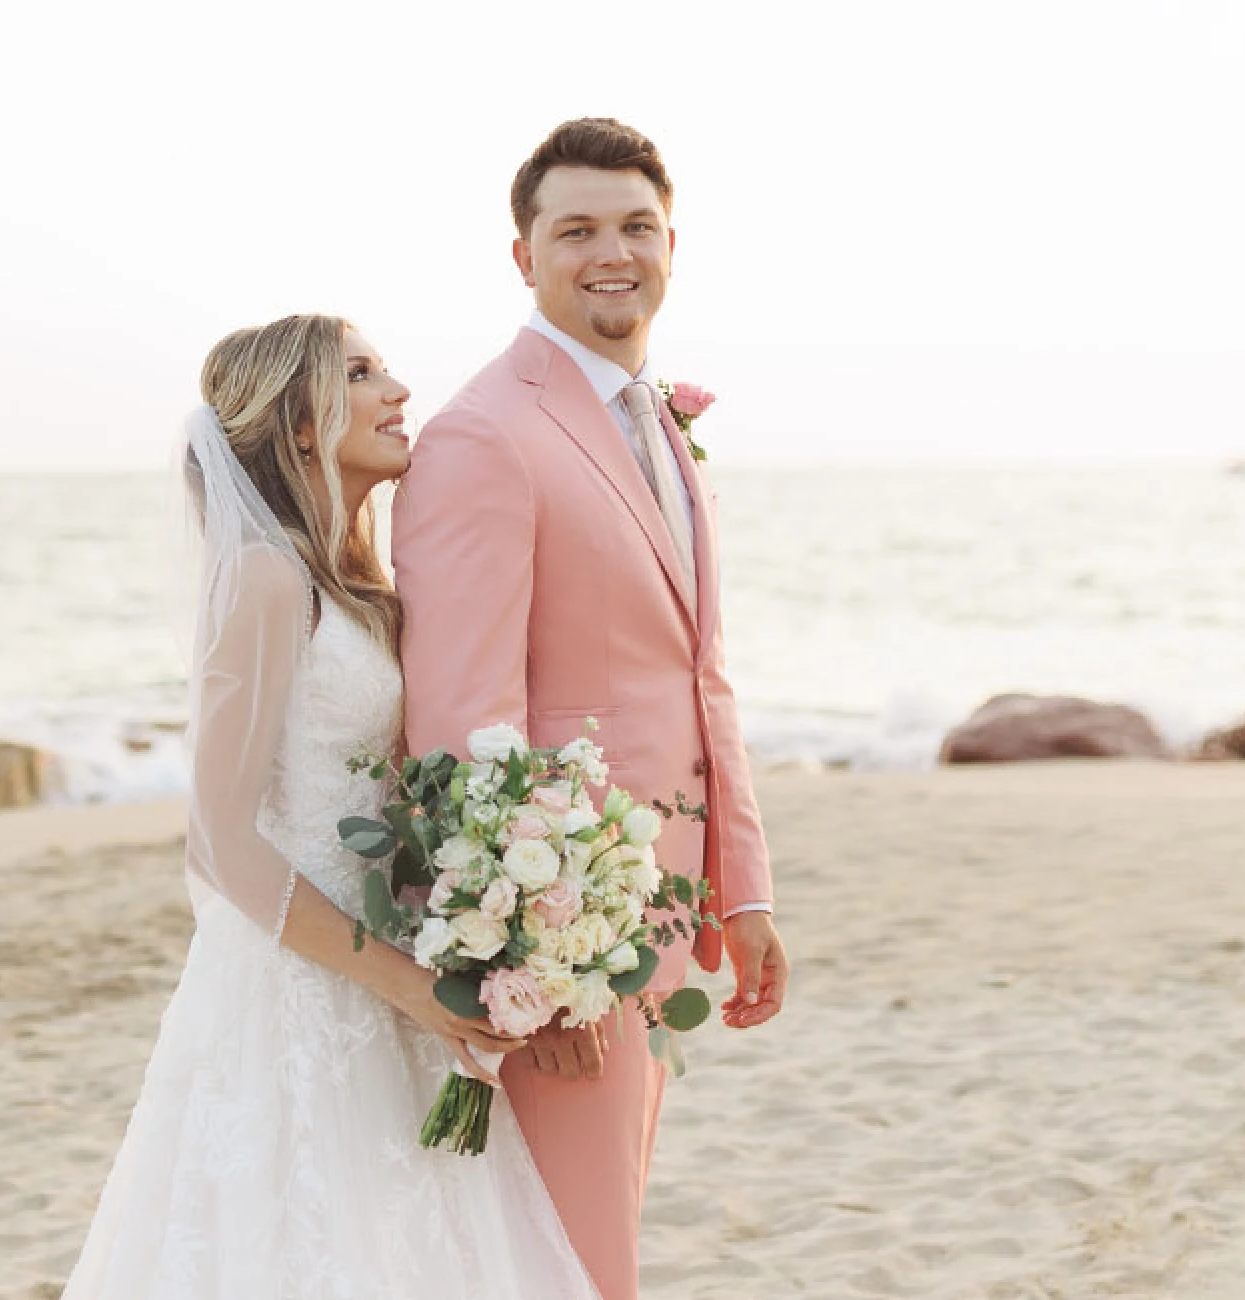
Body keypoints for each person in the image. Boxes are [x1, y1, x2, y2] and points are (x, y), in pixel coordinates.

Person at [62, 314, 600, 1298]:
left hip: (384, 961)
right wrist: (406, 984)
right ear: (302, 425)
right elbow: (219, 839)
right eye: (360, 373)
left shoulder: (357, 584)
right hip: (292, 986)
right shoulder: (268, 582)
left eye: (387, 367)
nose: (398, 390)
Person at [392, 117, 793, 1300]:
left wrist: (743, 888)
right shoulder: (482, 435)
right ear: (523, 256)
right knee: (574, 1262)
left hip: (657, 910)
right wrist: (529, 971)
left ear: (671, 242)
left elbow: (697, 674)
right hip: (568, 935)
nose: (609, 252)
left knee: (588, 1238)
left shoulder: (654, 420)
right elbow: (464, 720)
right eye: (575, 230)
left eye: (633, 226)